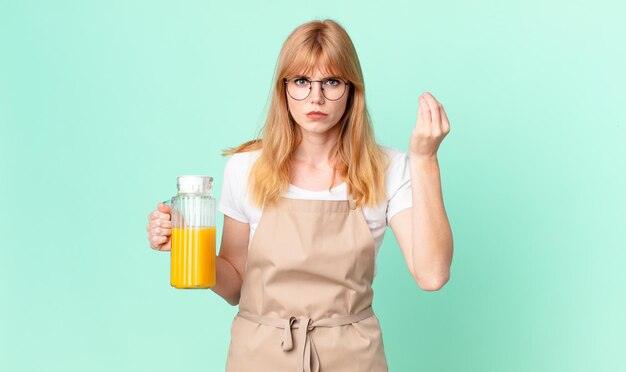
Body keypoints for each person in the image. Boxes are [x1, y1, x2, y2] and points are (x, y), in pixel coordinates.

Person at [146, 19, 453, 372]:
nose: (316, 98)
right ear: (284, 88)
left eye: (332, 82)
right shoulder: (246, 168)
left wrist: (425, 159)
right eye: (302, 82)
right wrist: (184, 245)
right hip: (259, 356)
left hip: (352, 359)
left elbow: (432, 275)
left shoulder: (388, 167)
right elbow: (234, 285)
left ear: (352, 89)